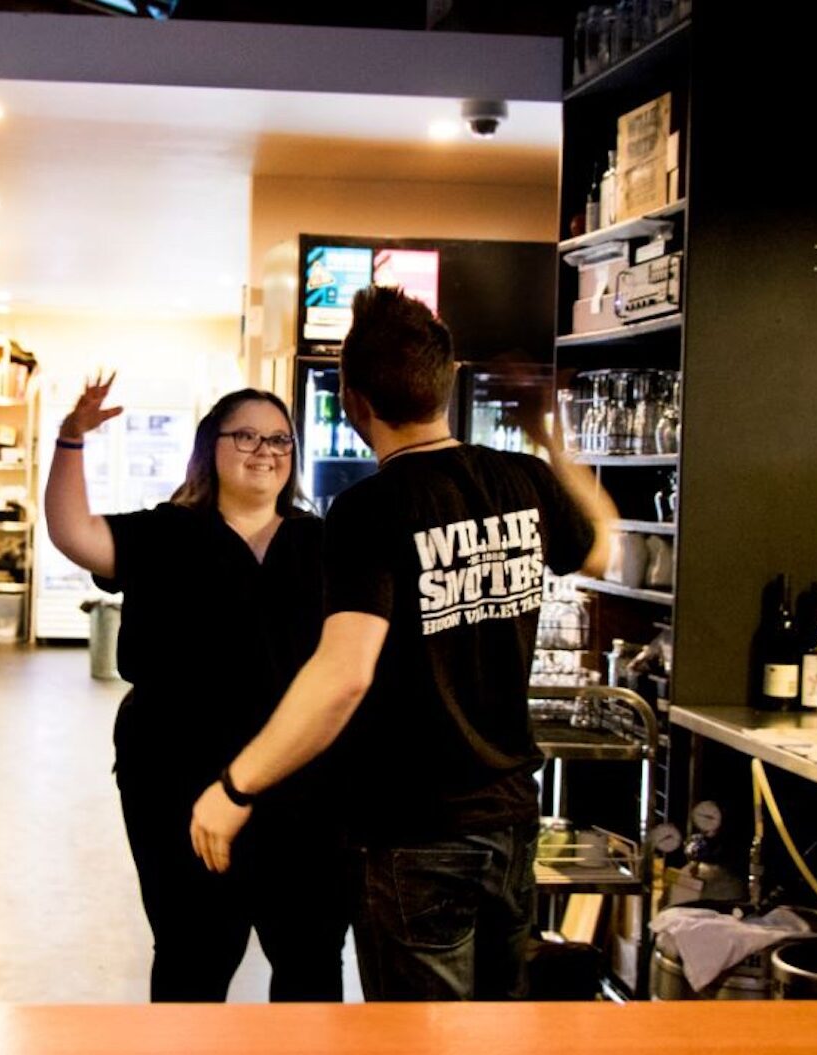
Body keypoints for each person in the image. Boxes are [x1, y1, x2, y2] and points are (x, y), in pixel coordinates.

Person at [187, 286, 616, 1001]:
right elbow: (603, 549)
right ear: (444, 386)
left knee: (420, 1054)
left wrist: (237, 785)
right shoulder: (522, 478)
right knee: (498, 1038)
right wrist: (551, 443)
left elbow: (344, 673)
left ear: (353, 402)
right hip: (510, 821)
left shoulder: (370, 508)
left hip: (416, 834)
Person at [44, 377, 347, 1003]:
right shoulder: (166, 534)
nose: (265, 451)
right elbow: (74, 532)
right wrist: (70, 440)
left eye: (279, 440)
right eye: (246, 436)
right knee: (194, 950)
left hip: (304, 786)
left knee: (310, 954)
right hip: (176, 780)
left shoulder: (322, 544)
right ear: (211, 447)